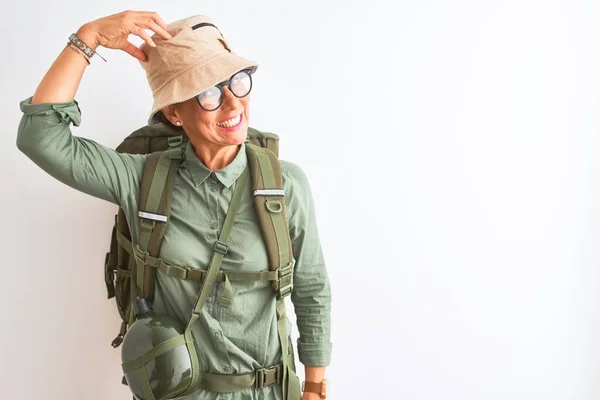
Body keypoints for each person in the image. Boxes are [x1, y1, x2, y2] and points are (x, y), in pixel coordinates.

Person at [16, 10, 331, 400]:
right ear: (174, 112)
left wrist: (315, 387)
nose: (233, 104)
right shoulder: (142, 180)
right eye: (209, 93)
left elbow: (312, 288)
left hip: (268, 392)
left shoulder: (286, 185)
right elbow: (39, 138)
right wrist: (88, 37)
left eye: (237, 82)